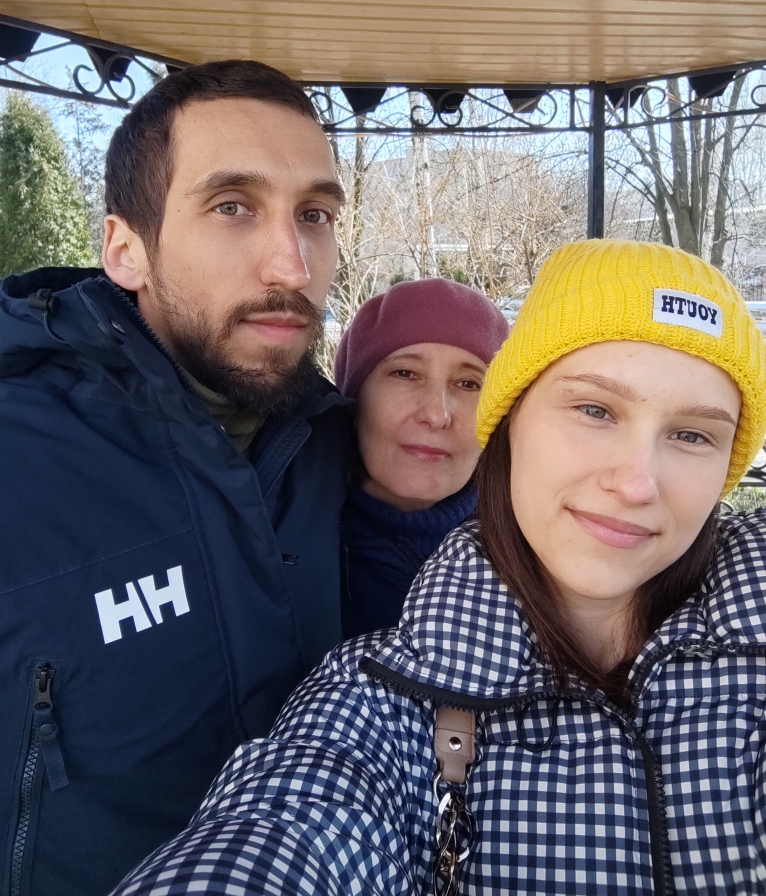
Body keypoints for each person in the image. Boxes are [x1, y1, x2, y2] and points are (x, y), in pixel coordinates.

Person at [113, 239, 766, 896]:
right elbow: (294, 820)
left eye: (693, 434)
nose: (636, 482)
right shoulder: (369, 677)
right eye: (594, 410)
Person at [0, 60, 352, 896]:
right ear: (125, 250)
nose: (291, 266)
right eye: (233, 207)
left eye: (314, 215)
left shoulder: (344, 443)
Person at [334, 277, 508, 635]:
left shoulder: (530, 551)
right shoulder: (285, 544)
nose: (436, 414)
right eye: (405, 374)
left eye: (469, 384)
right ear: (355, 401)